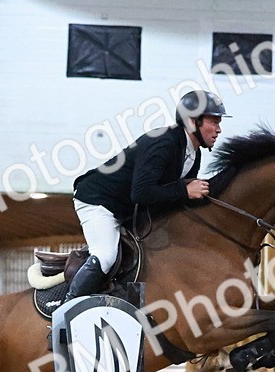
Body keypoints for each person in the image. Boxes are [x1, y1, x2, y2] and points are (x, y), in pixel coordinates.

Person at [64, 90, 229, 301]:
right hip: (98, 200)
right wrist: (184, 190)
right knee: (105, 256)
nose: (219, 129)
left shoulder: (193, 154)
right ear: (192, 121)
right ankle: (65, 311)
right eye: (213, 121)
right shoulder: (163, 141)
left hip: (126, 210)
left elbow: (169, 199)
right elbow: (141, 193)